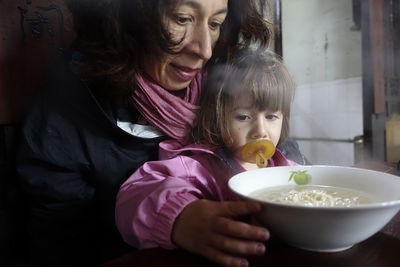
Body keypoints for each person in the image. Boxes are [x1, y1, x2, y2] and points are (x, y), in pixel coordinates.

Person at [15, 0, 274, 266]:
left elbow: (278, 153)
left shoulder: (229, 86)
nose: (204, 50)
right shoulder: (67, 108)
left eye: (215, 24)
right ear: (127, 19)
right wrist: (175, 223)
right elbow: (60, 243)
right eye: (182, 19)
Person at [115, 48, 298, 267]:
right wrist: (179, 217)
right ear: (218, 116)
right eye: (243, 116)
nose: (260, 130)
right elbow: (136, 192)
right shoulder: (198, 169)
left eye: (271, 117)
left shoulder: (288, 169)